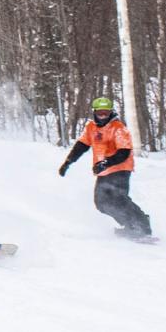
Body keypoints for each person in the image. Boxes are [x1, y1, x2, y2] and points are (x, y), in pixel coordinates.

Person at [58, 96, 152, 238]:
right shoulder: (91, 127)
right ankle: (129, 224)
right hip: (103, 171)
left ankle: (142, 225)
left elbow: (124, 152)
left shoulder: (118, 128)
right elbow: (81, 146)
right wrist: (68, 162)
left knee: (118, 198)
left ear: (111, 112)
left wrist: (105, 163)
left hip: (120, 168)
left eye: (106, 113)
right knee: (101, 204)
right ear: (94, 112)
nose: (103, 116)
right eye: (100, 113)